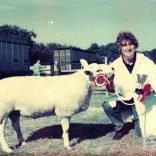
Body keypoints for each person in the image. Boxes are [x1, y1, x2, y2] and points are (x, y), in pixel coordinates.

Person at [102, 31, 156, 140]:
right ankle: (120, 128)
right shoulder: (114, 65)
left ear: (135, 45)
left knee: (143, 133)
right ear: (120, 47)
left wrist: (148, 90)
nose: (128, 48)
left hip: (140, 100)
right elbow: (111, 91)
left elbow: (154, 78)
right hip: (124, 99)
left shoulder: (145, 61)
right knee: (107, 105)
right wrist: (110, 81)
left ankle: (135, 120)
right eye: (124, 45)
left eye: (130, 44)